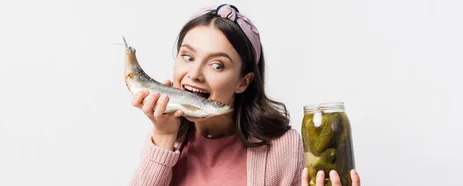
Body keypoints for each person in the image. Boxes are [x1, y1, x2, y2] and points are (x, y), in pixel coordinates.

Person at [128, 4, 360, 186]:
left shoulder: (282, 148)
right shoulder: (166, 141)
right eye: (188, 57)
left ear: (243, 81)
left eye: (217, 65)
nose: (195, 74)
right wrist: (163, 137)